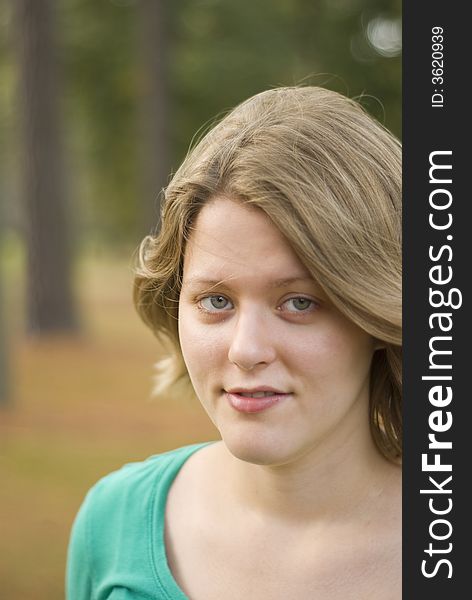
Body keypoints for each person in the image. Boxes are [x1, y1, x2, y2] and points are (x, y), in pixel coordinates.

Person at [66, 86, 402, 600]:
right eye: (216, 301)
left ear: (376, 314)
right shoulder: (113, 523)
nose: (245, 350)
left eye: (300, 303)